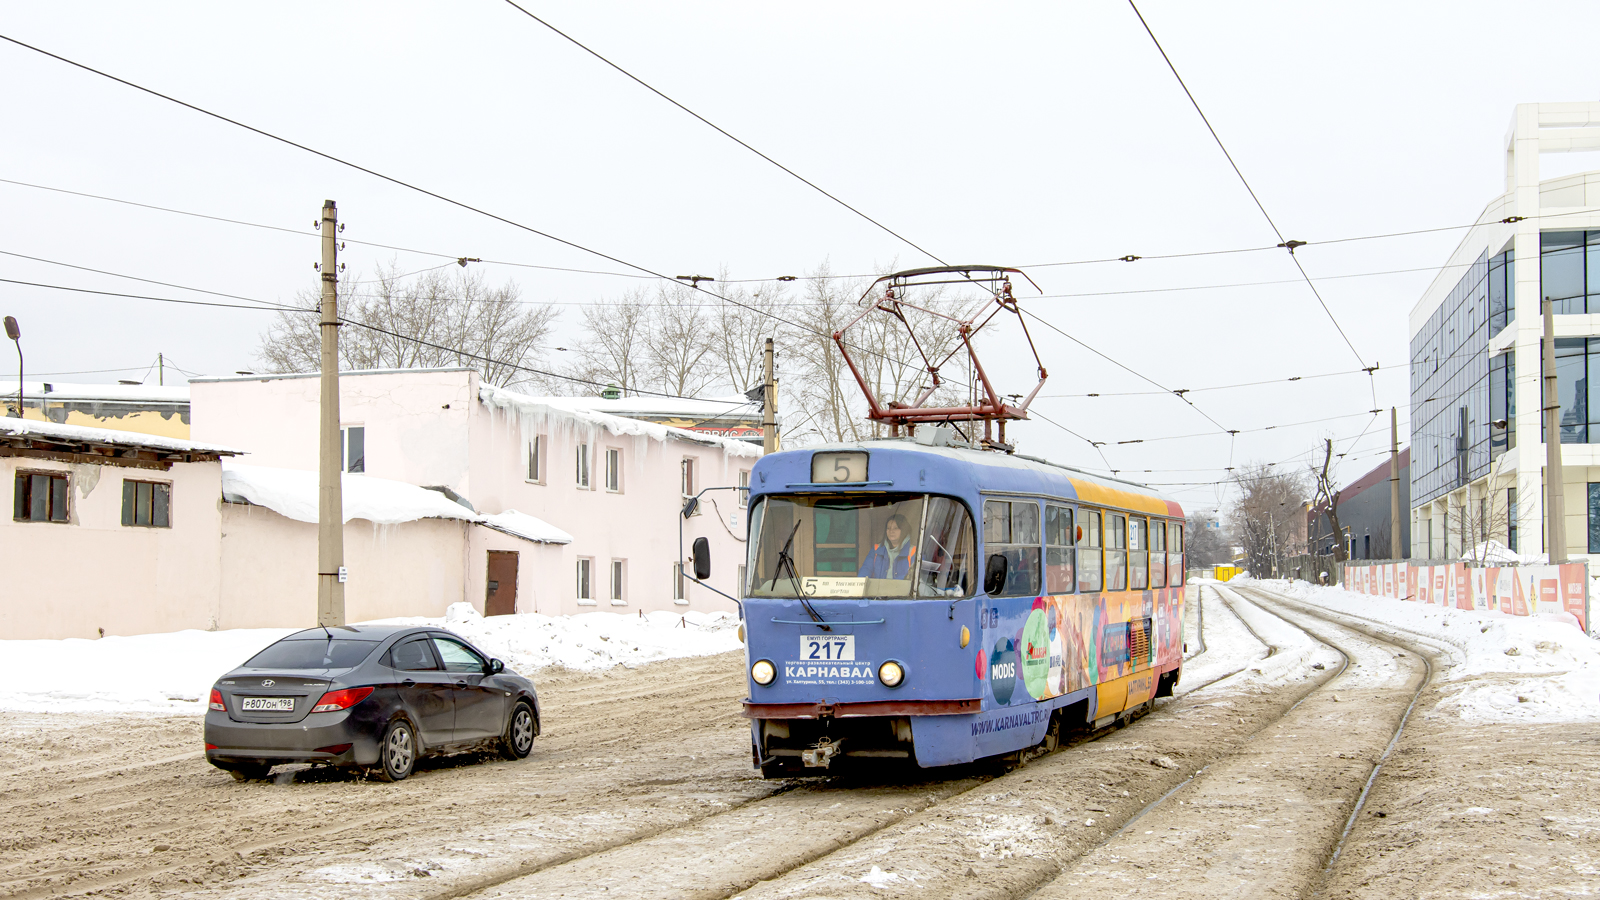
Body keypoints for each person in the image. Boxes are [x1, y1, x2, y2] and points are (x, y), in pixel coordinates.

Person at [858, 514, 917, 579]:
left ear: (903, 530)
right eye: (888, 528)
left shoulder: (913, 552)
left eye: (895, 528)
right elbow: (866, 569)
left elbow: (916, 577)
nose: (891, 531)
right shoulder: (876, 549)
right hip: (878, 588)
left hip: (902, 589)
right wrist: (860, 584)